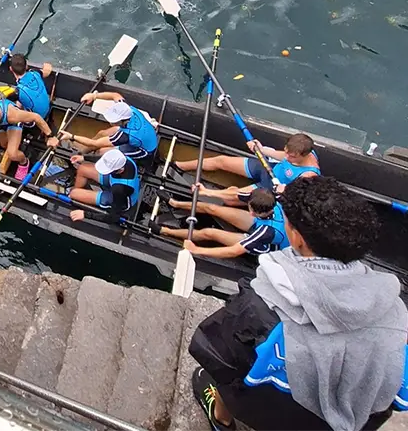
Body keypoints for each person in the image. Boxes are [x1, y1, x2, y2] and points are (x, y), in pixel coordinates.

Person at [188, 176, 408, 431]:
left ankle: (222, 420)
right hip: (332, 425)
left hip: (264, 408)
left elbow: (215, 353)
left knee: (224, 370)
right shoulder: (395, 316)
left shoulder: (260, 306)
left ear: (297, 238)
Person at [176, 133, 320, 202]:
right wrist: (262, 149)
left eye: (292, 156)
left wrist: (284, 190)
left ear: (304, 155)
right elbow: (282, 155)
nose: (287, 157)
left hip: (269, 188)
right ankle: (177, 165)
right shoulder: (296, 150)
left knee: (230, 199)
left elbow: (295, 196)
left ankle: (205, 192)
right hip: (268, 168)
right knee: (221, 161)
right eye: (287, 152)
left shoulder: (309, 175)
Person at [152, 188, 289, 258]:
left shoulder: (266, 232)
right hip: (263, 221)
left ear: (264, 211)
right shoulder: (266, 197)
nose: (250, 213)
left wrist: (197, 250)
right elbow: (235, 195)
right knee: (212, 208)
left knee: (209, 233)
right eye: (250, 209)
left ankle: (164, 230)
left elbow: (233, 251)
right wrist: (207, 192)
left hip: (266, 245)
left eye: (254, 212)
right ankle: (175, 203)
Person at [0, 95, 59, 179]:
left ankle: (24, 161)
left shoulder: (13, 115)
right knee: (4, 144)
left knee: (12, 154)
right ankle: (11, 144)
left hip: (12, 123)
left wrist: (50, 136)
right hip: (0, 124)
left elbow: (36, 117)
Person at [61, 91, 158, 159]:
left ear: (122, 121)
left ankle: (88, 159)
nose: (110, 122)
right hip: (143, 134)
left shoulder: (125, 136)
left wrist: (72, 136)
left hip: (144, 150)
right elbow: (114, 95)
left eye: (113, 121)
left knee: (101, 151)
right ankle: (82, 151)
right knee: (102, 133)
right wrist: (94, 96)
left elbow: (94, 143)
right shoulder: (127, 109)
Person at [68, 148, 141, 223]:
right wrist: (84, 158)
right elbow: (106, 160)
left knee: (74, 193)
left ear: (119, 170)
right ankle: (80, 194)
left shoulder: (119, 189)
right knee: (82, 168)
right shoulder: (126, 160)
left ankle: (75, 196)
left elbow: (113, 218)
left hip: (119, 200)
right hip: (114, 181)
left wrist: (85, 214)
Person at [10, 54, 53, 121]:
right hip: (48, 109)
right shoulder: (35, 73)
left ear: (11, 69)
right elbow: (47, 71)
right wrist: (47, 64)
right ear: (26, 66)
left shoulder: (17, 92)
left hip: (37, 120)